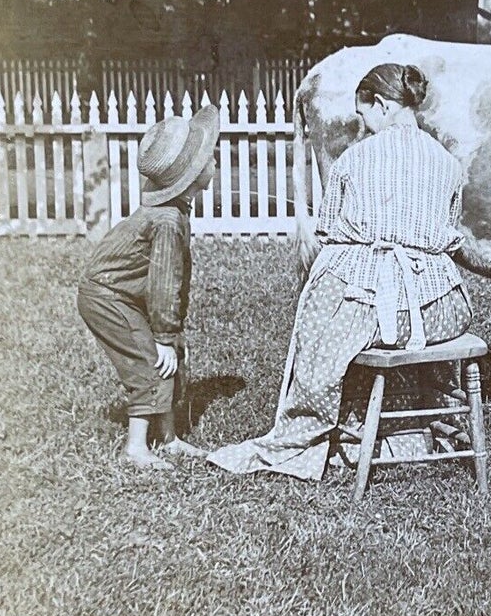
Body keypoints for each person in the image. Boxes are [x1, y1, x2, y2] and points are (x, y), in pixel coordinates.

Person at [208, 62, 471, 481]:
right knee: (371, 308)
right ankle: (406, 427)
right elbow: (450, 230)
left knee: (322, 324)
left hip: (381, 310)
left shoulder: (356, 159)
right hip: (439, 308)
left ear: (382, 105)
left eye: (363, 115)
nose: (362, 125)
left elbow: (330, 227)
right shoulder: (447, 163)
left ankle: (317, 428)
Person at [77, 104, 219, 467]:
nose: (214, 160)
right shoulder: (168, 220)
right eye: (208, 158)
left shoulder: (175, 211)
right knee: (150, 361)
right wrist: (164, 336)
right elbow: (163, 283)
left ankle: (168, 438)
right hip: (108, 296)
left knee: (169, 359)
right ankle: (135, 448)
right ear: (191, 175)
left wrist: (170, 336)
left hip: (124, 291)